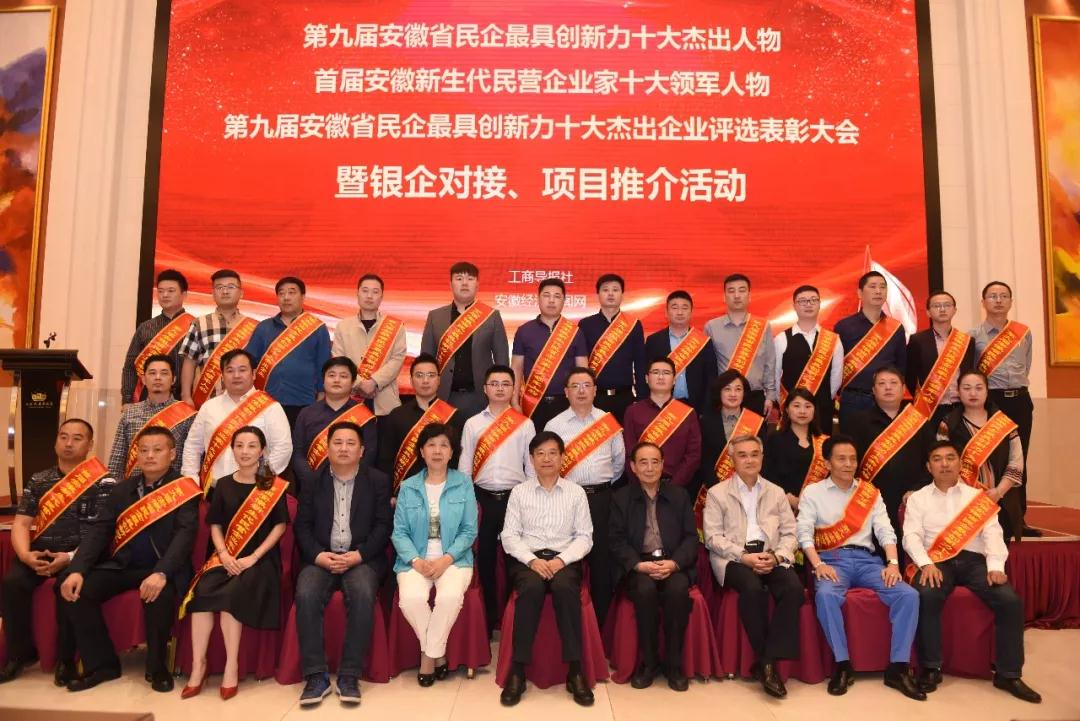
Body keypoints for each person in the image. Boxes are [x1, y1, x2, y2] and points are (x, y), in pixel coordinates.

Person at [61, 427, 201, 692]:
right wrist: (77, 569)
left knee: (159, 596)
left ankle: (157, 667)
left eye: (157, 450)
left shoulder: (183, 490)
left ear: (172, 454)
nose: (149, 456)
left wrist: (162, 572)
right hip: (122, 566)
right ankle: (102, 665)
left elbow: (184, 537)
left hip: (160, 569)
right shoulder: (122, 490)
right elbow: (99, 532)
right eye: (143, 450)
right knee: (78, 590)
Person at [904, 441, 1041, 703]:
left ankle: (1008, 674)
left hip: (974, 562)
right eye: (937, 459)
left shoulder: (977, 497)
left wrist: (995, 567)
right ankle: (930, 668)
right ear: (928, 467)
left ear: (960, 463)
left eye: (950, 458)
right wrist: (925, 564)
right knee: (926, 595)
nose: (944, 464)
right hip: (937, 561)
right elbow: (911, 536)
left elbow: (993, 534)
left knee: (1009, 601)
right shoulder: (918, 498)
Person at [797, 434, 924, 700]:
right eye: (841, 459)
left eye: (853, 459)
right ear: (827, 463)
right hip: (832, 560)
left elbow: (886, 531)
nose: (848, 464)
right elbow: (804, 534)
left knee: (908, 595)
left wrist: (892, 564)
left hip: (868, 561)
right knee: (826, 595)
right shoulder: (813, 492)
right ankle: (843, 665)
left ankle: (898, 668)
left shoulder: (870, 492)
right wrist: (818, 564)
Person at [0, 420, 113, 686]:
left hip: (81, 555)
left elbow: (102, 531)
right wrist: (26, 555)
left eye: (77, 438)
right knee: (12, 583)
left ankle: (66, 660)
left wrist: (71, 557)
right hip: (41, 551)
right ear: (55, 442)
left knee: (67, 586)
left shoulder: (103, 481)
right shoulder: (39, 479)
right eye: (63, 437)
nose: (68, 443)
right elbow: (22, 523)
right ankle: (19, 654)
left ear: (90, 445)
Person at [180, 426, 289, 700]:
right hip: (225, 557)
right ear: (232, 450)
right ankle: (199, 665)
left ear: (262, 451)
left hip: (260, 560)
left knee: (231, 595)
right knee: (202, 592)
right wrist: (224, 554)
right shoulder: (223, 484)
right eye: (239, 445)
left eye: (252, 446)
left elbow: (280, 527)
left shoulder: (271, 485)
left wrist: (253, 557)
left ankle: (231, 666)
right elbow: (215, 524)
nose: (245, 451)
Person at [293, 421, 392, 707]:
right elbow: (302, 527)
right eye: (337, 443)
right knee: (306, 593)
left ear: (362, 450)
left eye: (351, 443)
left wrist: (359, 555)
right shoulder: (312, 481)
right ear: (327, 448)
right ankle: (316, 676)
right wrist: (318, 556)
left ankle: (349, 675)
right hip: (321, 557)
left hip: (361, 558)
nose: (344, 448)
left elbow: (383, 526)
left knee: (362, 592)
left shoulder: (377, 481)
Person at [498, 431, 594, 708]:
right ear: (531, 459)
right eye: (540, 453)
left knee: (565, 588)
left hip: (565, 559)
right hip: (529, 560)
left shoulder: (576, 493)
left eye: (553, 453)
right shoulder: (519, 492)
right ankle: (518, 671)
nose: (547, 459)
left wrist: (562, 560)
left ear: (563, 457)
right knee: (530, 588)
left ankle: (575, 670)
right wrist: (532, 560)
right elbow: (509, 536)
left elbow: (585, 536)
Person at [702, 435, 802, 699]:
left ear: (762, 457)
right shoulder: (717, 493)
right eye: (743, 455)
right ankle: (768, 664)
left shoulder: (776, 492)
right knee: (752, 587)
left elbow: (791, 533)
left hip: (771, 554)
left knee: (793, 589)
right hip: (734, 558)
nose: (749, 460)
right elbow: (713, 537)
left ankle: (765, 661)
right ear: (732, 459)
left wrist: (777, 557)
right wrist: (744, 556)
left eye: (755, 454)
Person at [391, 423, 478, 686]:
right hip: (415, 560)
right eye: (431, 445)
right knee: (411, 599)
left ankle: (427, 657)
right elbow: (399, 533)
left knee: (449, 597)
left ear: (452, 452)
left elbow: (469, 530)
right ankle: (438, 654)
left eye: (443, 445)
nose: (437, 451)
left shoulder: (463, 484)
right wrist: (416, 561)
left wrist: (445, 559)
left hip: (454, 560)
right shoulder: (408, 486)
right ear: (421, 451)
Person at [609, 442, 698, 692]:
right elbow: (616, 541)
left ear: (662, 465)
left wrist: (675, 563)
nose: (649, 468)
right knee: (644, 591)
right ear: (633, 467)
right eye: (643, 462)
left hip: (672, 562)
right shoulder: (621, 498)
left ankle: (674, 664)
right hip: (640, 564)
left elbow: (691, 538)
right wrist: (638, 565)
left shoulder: (679, 495)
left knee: (677, 591)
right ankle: (649, 663)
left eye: (655, 462)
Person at [545, 366, 626, 626]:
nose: (581, 391)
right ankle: (572, 624)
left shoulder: (608, 422)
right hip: (566, 500)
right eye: (575, 386)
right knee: (568, 560)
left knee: (602, 561)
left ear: (595, 390)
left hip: (601, 499)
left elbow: (619, 464)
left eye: (587, 385)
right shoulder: (554, 425)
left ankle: (601, 625)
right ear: (566, 392)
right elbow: (546, 464)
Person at [458, 365, 536, 630]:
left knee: (518, 559)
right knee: (486, 559)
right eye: (494, 383)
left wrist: (528, 502)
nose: (500, 388)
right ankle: (490, 618)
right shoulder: (473, 424)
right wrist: (468, 501)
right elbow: (465, 468)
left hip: (515, 499)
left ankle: (514, 617)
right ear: (485, 388)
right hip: (483, 499)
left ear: (514, 388)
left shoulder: (525, 424)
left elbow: (531, 468)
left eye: (506, 384)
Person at [971, 281, 1038, 537]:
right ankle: (991, 516)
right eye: (992, 296)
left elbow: (1026, 366)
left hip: (1019, 400)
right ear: (983, 302)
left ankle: (1018, 519)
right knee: (992, 459)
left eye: (1003, 296)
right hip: (992, 402)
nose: (998, 300)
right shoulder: (973, 336)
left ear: (1011, 301)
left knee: (1020, 458)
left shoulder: (1023, 332)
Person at [182, 349, 292, 492]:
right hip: (214, 490)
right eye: (230, 370)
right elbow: (192, 446)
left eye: (242, 370)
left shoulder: (270, 407)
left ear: (253, 374)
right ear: (222, 376)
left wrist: (261, 476)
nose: (236, 375)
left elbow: (283, 447)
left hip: (255, 490)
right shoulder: (209, 407)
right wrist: (191, 480)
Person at [937, 370, 1024, 541]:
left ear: (987, 391)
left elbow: (1016, 462)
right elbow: (942, 463)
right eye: (967, 388)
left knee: (997, 553)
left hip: (1000, 501)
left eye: (978, 388)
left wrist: (998, 492)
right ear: (958, 392)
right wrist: (968, 493)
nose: (973, 393)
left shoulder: (1004, 424)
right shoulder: (948, 424)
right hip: (961, 504)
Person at [420, 261, 510, 419]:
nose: (465, 283)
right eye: (459, 278)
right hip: (444, 396)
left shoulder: (491, 316)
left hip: (481, 397)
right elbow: (426, 359)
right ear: (450, 284)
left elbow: (502, 359)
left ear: (477, 284)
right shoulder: (435, 317)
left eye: (470, 279)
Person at [849, 366, 931, 530]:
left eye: (893, 383)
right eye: (882, 383)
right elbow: (850, 462)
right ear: (873, 390)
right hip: (870, 501)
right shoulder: (858, 422)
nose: (888, 387)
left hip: (911, 499)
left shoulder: (920, 422)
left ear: (903, 389)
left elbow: (931, 462)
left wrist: (917, 489)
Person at [245, 276, 332, 427]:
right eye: (281, 293)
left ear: (303, 297)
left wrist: (322, 397)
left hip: (305, 402)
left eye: (292, 292)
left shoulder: (317, 328)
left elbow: (323, 366)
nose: (286, 297)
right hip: (267, 402)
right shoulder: (263, 327)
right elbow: (249, 361)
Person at [377, 353, 463, 491]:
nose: (425, 380)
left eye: (431, 375)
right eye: (419, 375)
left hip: (444, 491)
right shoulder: (396, 415)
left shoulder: (454, 416)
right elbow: (385, 459)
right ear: (411, 380)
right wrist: (390, 493)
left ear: (439, 380)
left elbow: (457, 458)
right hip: (405, 492)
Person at [511, 278, 589, 431]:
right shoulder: (524, 331)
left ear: (564, 300)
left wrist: (583, 402)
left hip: (567, 403)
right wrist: (514, 402)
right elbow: (516, 368)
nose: (551, 300)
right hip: (532, 403)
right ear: (538, 298)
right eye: (546, 295)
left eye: (557, 296)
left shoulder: (575, 332)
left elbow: (583, 371)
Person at [291, 356, 377, 494]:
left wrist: (347, 478)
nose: (337, 380)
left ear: (353, 382)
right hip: (312, 486)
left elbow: (368, 455)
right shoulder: (306, 413)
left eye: (343, 376)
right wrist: (311, 478)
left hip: (352, 487)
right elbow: (298, 453)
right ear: (323, 380)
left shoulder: (364, 416)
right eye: (331, 375)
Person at [834, 271, 907, 432]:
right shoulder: (844, 326)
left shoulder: (896, 328)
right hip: (853, 400)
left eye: (882, 287)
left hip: (886, 400)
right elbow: (835, 366)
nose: (878, 291)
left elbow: (901, 367)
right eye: (872, 287)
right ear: (860, 293)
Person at [107, 355, 195, 481]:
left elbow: (192, 458)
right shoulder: (130, 413)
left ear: (174, 379)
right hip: (134, 487)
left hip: (173, 488)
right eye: (152, 373)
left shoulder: (187, 415)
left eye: (164, 373)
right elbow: (118, 456)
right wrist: (113, 487)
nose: (158, 377)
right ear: (143, 379)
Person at [179, 269, 257, 408]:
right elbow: (189, 361)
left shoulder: (254, 326)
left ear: (241, 293)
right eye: (220, 287)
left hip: (245, 402)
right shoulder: (199, 323)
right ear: (213, 293)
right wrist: (186, 396)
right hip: (208, 400)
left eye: (231, 287)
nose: (225, 291)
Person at [332, 273, 407, 416]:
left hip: (385, 401)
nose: (369, 296)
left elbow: (397, 359)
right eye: (365, 291)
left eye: (375, 292)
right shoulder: (343, 326)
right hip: (351, 399)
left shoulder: (395, 326)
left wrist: (374, 382)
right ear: (357, 294)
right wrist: (359, 383)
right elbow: (339, 360)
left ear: (382, 297)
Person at [622, 357, 701, 490]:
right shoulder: (633, 411)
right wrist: (641, 484)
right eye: (655, 372)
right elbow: (629, 453)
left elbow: (693, 455)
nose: (660, 377)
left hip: (677, 488)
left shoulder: (688, 413)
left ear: (674, 380)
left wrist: (673, 487)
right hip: (640, 487)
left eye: (666, 373)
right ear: (647, 378)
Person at [577, 274, 647, 422]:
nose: (610, 294)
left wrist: (642, 398)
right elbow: (581, 364)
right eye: (605, 290)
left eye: (615, 290)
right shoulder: (585, 325)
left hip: (625, 398)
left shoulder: (634, 325)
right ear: (598, 294)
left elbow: (640, 364)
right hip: (595, 398)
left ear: (622, 295)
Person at [704, 274, 777, 416]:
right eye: (731, 291)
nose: (737, 295)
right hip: (724, 398)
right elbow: (707, 367)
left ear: (749, 296)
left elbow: (770, 362)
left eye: (742, 290)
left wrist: (770, 395)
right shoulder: (711, 327)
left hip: (755, 396)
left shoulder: (763, 326)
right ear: (724, 297)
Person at [773, 284, 843, 432]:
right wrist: (785, 403)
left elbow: (836, 378)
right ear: (794, 305)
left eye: (813, 300)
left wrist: (823, 399)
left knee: (821, 445)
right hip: (792, 409)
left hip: (822, 408)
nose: (808, 304)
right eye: (803, 301)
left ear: (819, 304)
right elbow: (775, 376)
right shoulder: (781, 338)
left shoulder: (833, 339)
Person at [905, 291, 975, 429]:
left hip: (960, 407)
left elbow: (970, 372)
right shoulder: (917, 340)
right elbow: (910, 376)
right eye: (937, 306)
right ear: (928, 312)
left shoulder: (967, 341)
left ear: (954, 310)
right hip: (930, 408)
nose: (942, 309)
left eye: (947, 305)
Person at [122, 269, 192, 403]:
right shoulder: (145, 328)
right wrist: (127, 400)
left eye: (171, 291)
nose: (165, 295)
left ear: (184, 295)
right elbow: (130, 366)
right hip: (150, 398)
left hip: (186, 399)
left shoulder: (195, 325)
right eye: (160, 291)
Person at [645, 290, 717, 413]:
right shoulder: (653, 341)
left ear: (691, 313)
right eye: (674, 307)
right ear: (666, 312)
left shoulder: (703, 342)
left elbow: (711, 378)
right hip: (661, 406)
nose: (679, 312)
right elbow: (647, 375)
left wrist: (706, 411)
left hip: (695, 407)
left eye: (684, 308)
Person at [698, 370, 766, 499]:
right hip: (715, 490)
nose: (733, 394)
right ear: (719, 392)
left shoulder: (756, 422)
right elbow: (704, 460)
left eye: (738, 389)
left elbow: (763, 459)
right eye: (727, 389)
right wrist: (717, 489)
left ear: (744, 393)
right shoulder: (706, 421)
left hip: (750, 490)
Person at [763, 387, 828, 511]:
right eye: (796, 406)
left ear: (814, 410)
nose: (802, 411)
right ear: (787, 410)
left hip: (817, 508)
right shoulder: (775, 439)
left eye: (808, 406)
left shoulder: (824, 442)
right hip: (781, 506)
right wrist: (789, 498)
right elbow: (767, 475)